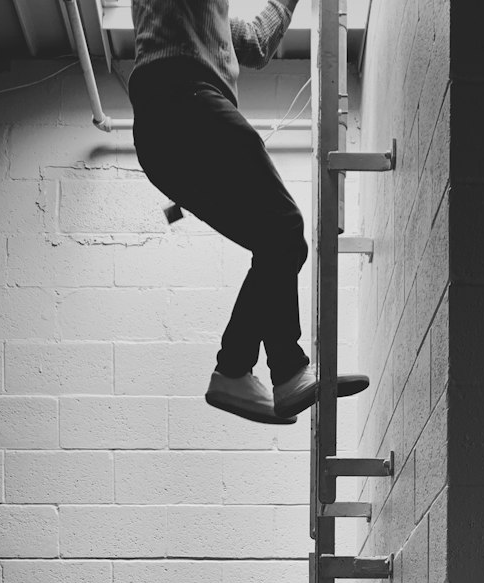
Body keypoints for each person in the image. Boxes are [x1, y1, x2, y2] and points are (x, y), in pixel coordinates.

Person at [128, 0, 368, 424]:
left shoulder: (207, 22)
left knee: (279, 241)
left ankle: (245, 370)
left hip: (166, 133)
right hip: (184, 102)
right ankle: (271, 368)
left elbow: (255, 42)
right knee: (284, 228)